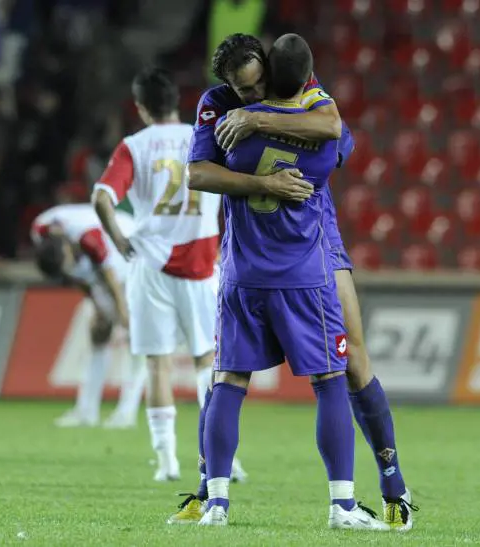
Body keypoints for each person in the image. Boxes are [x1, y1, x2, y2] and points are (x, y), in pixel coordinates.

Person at [170, 33, 414, 530]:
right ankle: (211, 490)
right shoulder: (217, 104)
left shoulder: (298, 88)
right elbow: (197, 173)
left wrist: (258, 119)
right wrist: (264, 174)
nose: (253, 93)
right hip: (273, 247)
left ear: (270, 67)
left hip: (318, 237)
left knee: (351, 360)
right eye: (243, 90)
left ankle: (394, 486)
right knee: (238, 373)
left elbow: (334, 129)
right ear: (228, 85)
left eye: (258, 83)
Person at [91, 67, 246, 482]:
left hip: (150, 265)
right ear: (177, 101)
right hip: (201, 264)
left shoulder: (134, 146)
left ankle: (167, 463)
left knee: (157, 365)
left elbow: (101, 198)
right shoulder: (205, 136)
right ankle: (222, 458)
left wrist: (120, 241)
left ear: (141, 107)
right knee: (208, 364)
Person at [31, 204, 146, 429]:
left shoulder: (90, 237)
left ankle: (126, 412)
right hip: (97, 267)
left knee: (137, 338)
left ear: (67, 247)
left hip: (130, 252)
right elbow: (75, 276)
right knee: (99, 333)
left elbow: (110, 274)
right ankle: (86, 411)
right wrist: (96, 304)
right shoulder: (40, 232)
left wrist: (121, 311)